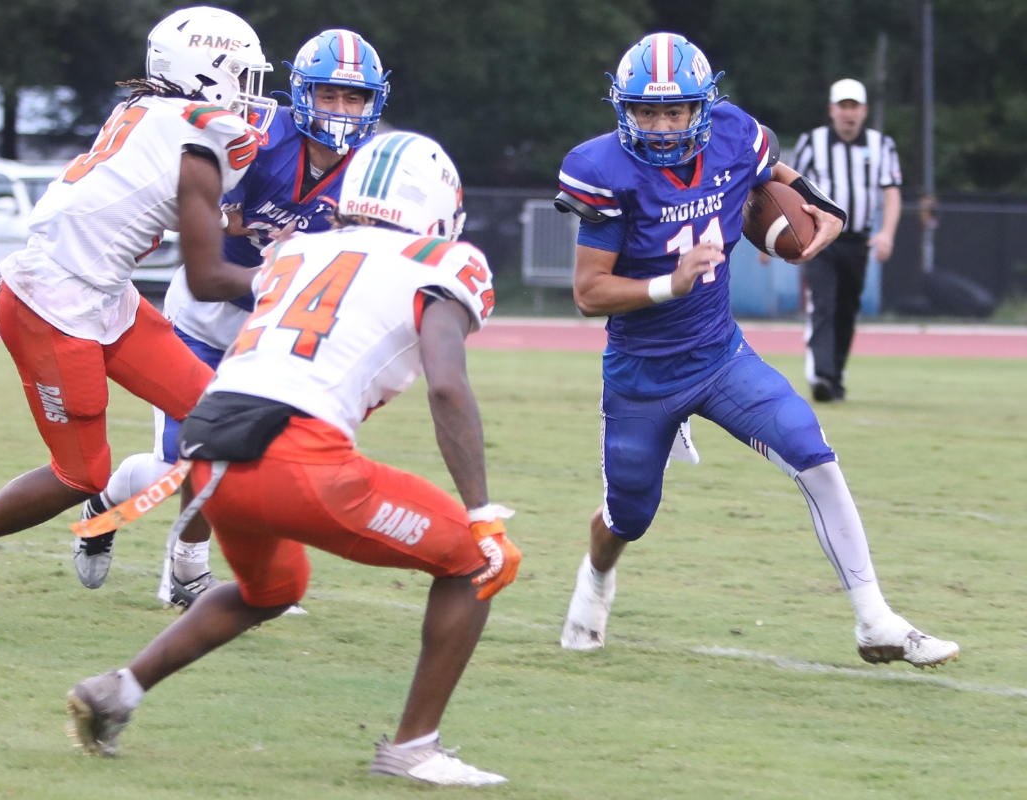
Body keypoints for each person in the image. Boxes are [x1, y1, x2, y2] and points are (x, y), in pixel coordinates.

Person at [66, 132, 517, 787]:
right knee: (475, 558)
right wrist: (481, 511)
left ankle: (118, 692)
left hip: (209, 447)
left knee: (272, 591)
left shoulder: (299, 249)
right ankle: (413, 747)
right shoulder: (444, 262)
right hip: (295, 455)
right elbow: (447, 385)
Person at [554, 33, 957, 668]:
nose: (661, 127)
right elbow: (588, 292)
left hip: (720, 357)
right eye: (646, 112)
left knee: (812, 452)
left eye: (675, 111)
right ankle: (596, 579)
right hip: (642, 374)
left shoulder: (734, 133)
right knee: (629, 516)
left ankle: (875, 619)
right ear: (623, 109)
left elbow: (771, 170)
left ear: (702, 108)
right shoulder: (603, 170)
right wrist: (670, 283)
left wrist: (818, 201)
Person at [0, 6, 274, 621]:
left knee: (218, 417)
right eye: (239, 74)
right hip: (52, 305)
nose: (248, 92)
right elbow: (208, 278)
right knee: (80, 474)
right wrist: (301, 285)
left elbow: (185, 211)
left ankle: (187, 572)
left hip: (103, 293)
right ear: (204, 71)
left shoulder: (153, 109)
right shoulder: (198, 139)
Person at [78, 29, 391, 610]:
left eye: (354, 98)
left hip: (274, 333)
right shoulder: (255, 134)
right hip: (202, 318)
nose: (340, 109)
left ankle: (188, 572)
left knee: (264, 464)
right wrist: (238, 221)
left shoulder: (374, 172)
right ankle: (104, 509)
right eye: (328, 94)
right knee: (179, 466)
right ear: (302, 94)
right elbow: (186, 201)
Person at [791, 78, 903, 402]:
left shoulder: (882, 145)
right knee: (823, 304)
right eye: (843, 106)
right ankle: (822, 376)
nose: (848, 113)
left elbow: (891, 193)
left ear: (864, 111)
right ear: (832, 110)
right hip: (820, 239)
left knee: (846, 309)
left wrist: (887, 233)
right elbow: (788, 188)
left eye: (854, 107)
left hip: (858, 240)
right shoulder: (812, 142)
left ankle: (835, 376)